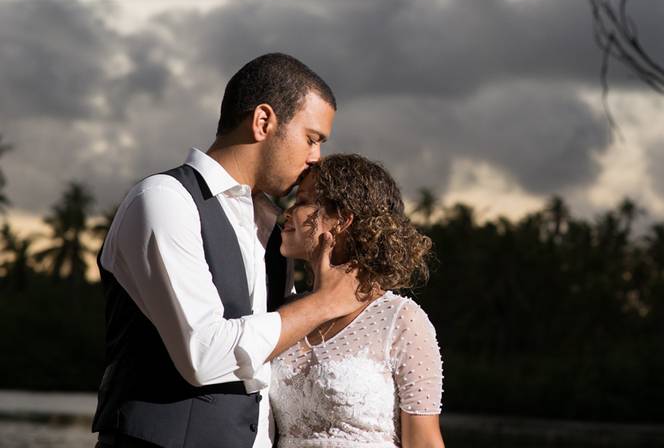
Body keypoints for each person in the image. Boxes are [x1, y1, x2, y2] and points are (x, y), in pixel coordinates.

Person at [93, 53, 365, 448]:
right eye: (311, 139)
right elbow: (202, 354)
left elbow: (277, 351)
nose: (315, 158)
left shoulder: (272, 227)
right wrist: (324, 303)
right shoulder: (164, 201)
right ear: (263, 122)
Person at [270, 154, 444, 448]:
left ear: (342, 220)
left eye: (302, 202)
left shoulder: (400, 321)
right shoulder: (283, 311)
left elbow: (424, 442)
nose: (287, 213)